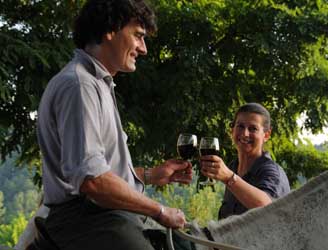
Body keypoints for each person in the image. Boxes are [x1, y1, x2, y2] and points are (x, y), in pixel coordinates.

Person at [36, 0, 193, 249]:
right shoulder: (80, 86)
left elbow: (100, 172)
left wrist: (151, 175)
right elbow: (93, 181)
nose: (144, 49)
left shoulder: (97, 83)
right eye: (138, 36)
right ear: (110, 30)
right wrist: (159, 210)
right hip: (87, 221)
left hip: (102, 216)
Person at [200, 103, 290, 219]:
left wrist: (229, 178)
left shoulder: (272, 172)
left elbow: (267, 207)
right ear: (232, 130)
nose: (245, 134)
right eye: (240, 126)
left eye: (253, 129)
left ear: (266, 135)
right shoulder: (233, 166)